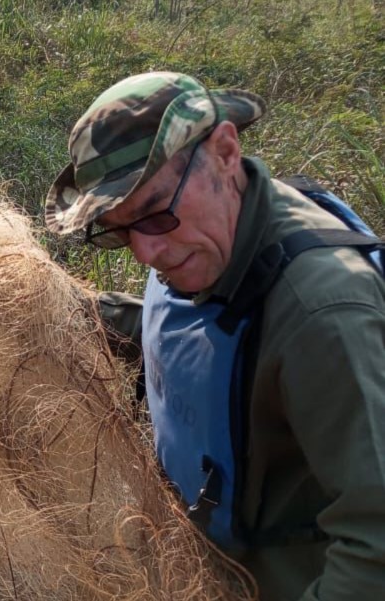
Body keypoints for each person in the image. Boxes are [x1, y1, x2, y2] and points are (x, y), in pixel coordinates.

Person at [44, 72, 385, 600]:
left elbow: (375, 547)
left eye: (154, 212)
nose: (145, 253)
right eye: (117, 229)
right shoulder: (209, 236)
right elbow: (205, 340)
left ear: (225, 151)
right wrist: (65, 312)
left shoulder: (324, 316)